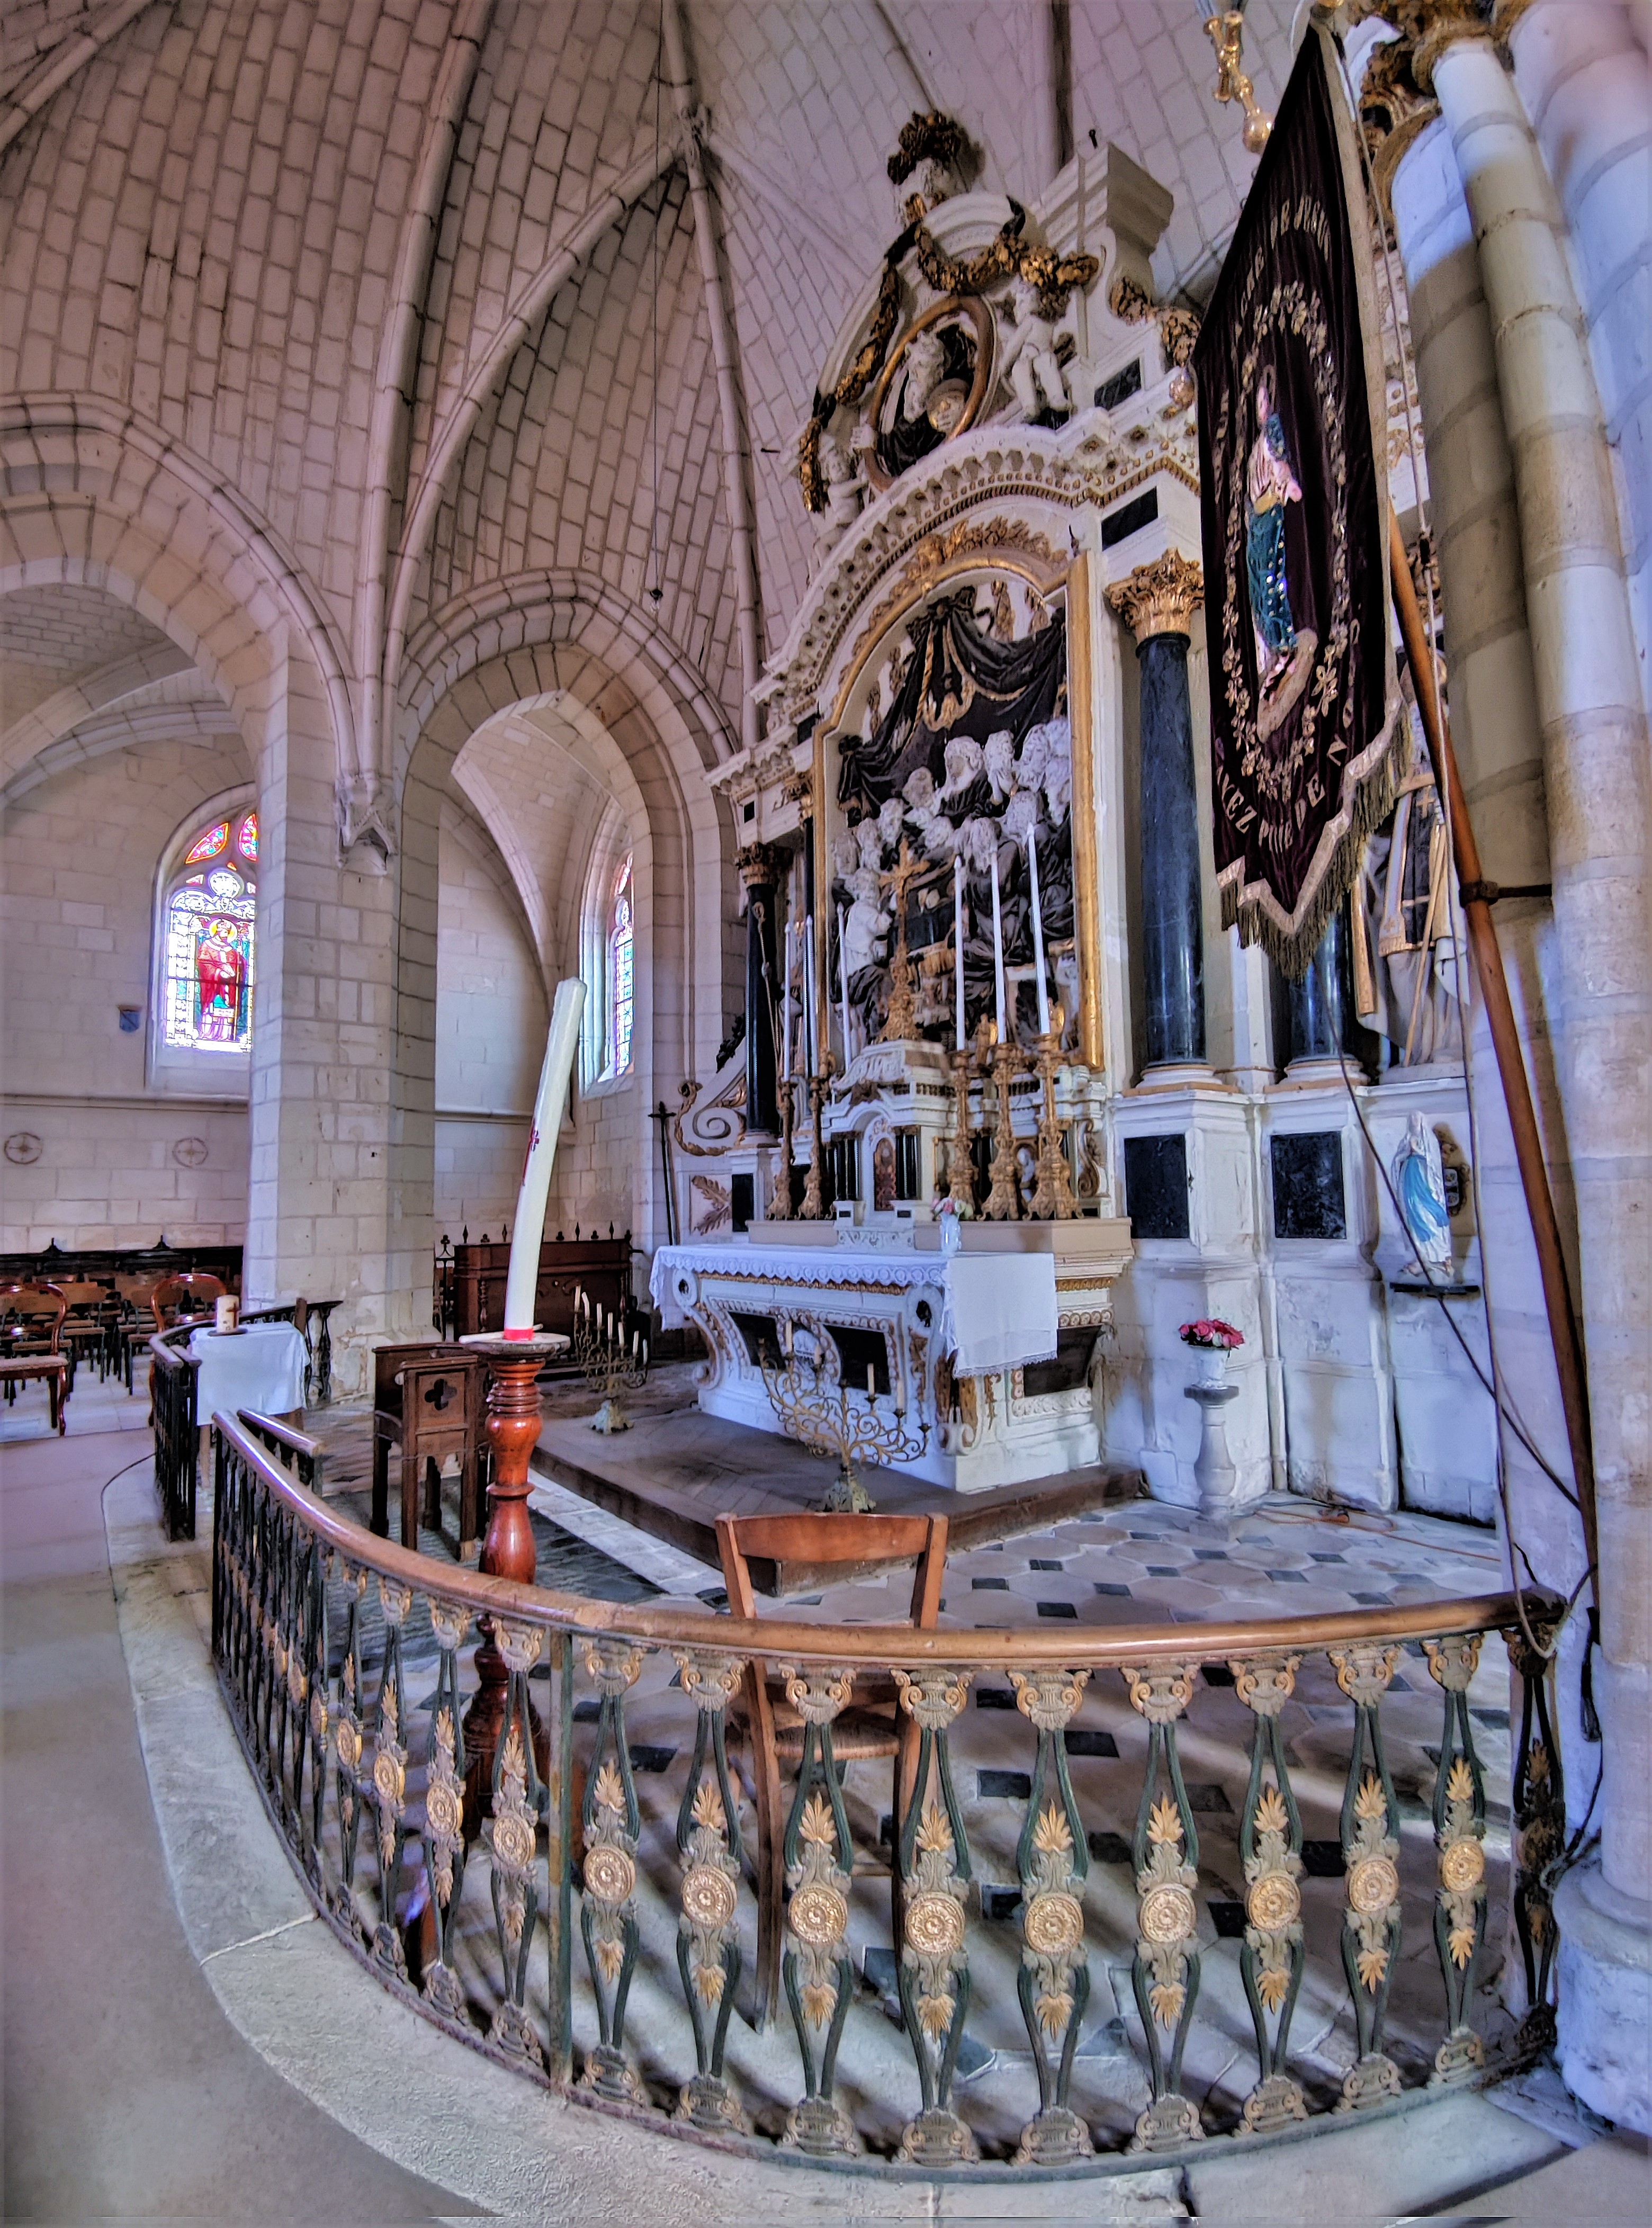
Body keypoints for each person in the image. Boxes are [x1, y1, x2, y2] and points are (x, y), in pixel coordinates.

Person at [1245, 370, 1303, 691]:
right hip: (1257, 521)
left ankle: (1285, 645)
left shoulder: (1273, 433)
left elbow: (1282, 468)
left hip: (1269, 515)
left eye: (1264, 400)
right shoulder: (1258, 443)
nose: (1261, 407)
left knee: (1271, 583)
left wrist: (1288, 484)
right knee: (1258, 589)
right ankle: (1274, 651)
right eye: (1258, 403)